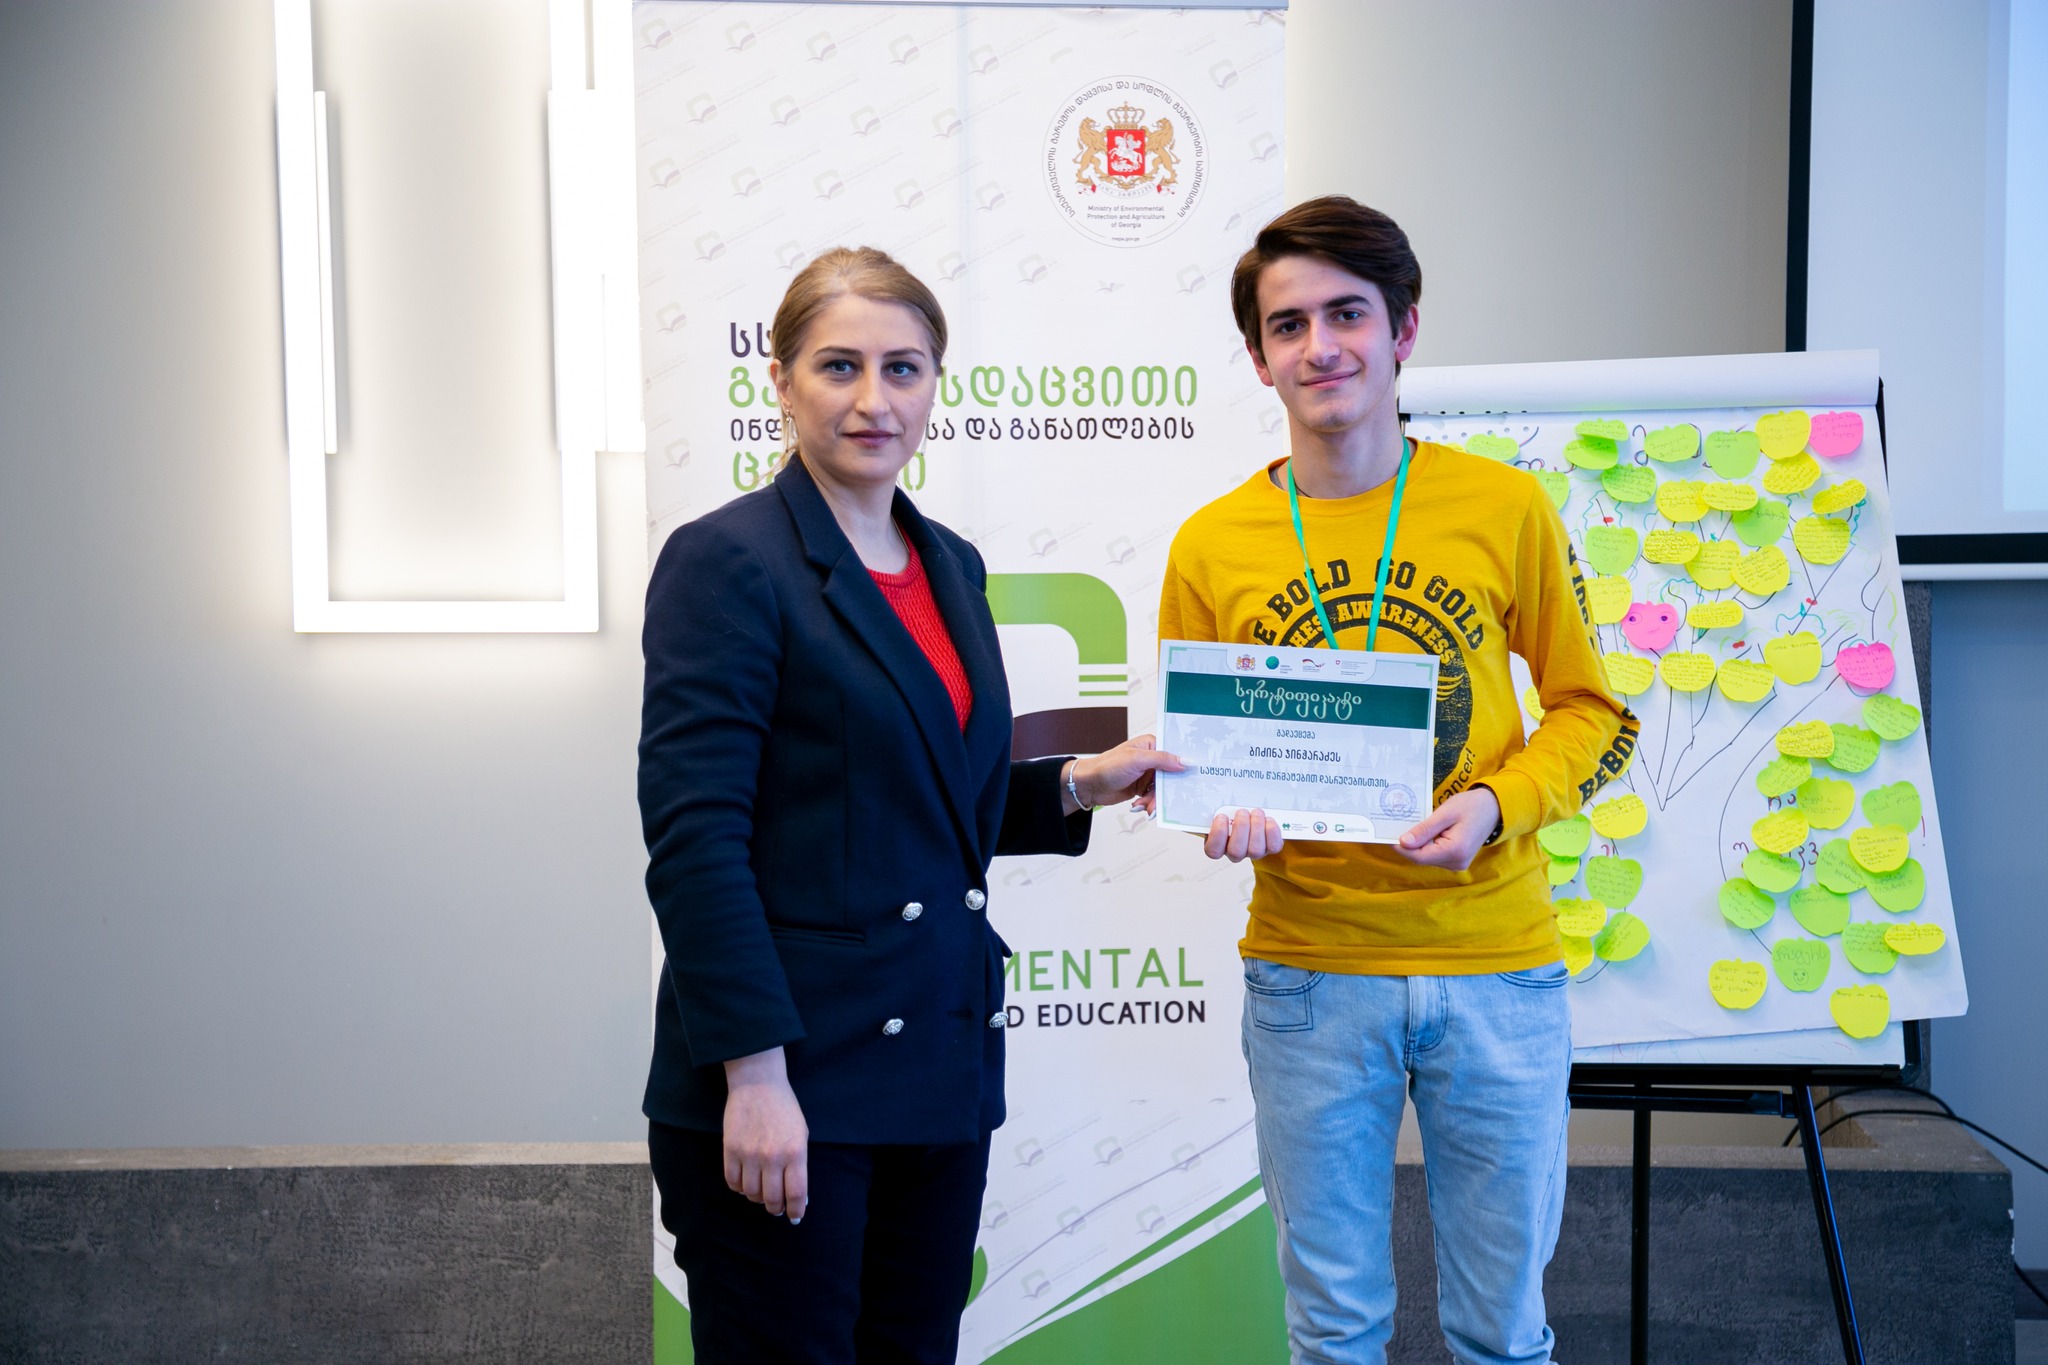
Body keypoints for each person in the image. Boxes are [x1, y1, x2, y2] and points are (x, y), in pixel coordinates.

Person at [638, 246, 1178, 1365]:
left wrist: (1076, 784)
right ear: (780, 381)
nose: (873, 399)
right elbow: (696, 843)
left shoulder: (950, 566)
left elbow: (918, 802)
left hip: (937, 1071)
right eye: (838, 366)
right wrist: (753, 1075)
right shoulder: (727, 561)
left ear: (936, 382)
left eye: (903, 368)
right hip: (791, 1079)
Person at [1155, 197, 1638, 1364]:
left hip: (1496, 966)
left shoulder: (1501, 507)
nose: (1319, 346)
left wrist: (1496, 804)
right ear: (1258, 357)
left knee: (1501, 1334)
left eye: (1346, 314)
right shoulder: (1210, 543)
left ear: (1402, 328)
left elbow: (1593, 713)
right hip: (1309, 976)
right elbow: (1198, 756)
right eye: (1287, 325)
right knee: (1332, 1331)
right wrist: (1223, 814)